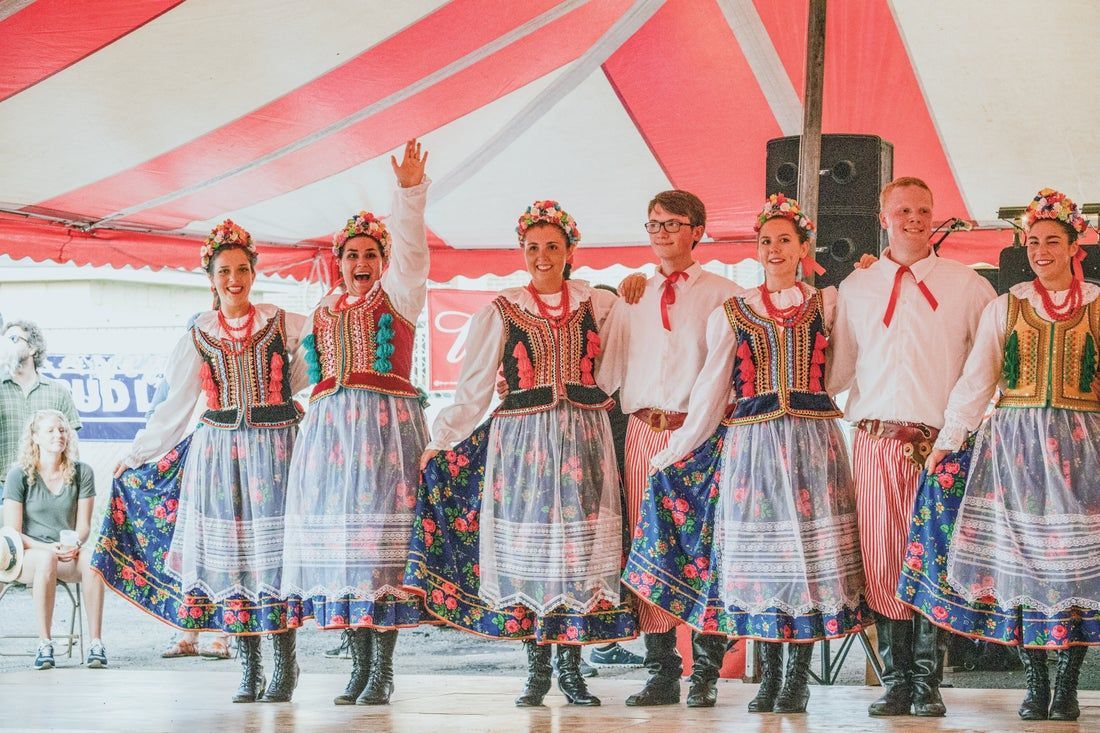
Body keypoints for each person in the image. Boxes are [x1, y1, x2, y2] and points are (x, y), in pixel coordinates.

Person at [624, 195, 870, 714]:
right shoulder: (734, 311)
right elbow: (712, 391)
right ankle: (770, 678)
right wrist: (675, 451)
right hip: (752, 449)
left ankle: (796, 680)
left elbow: (843, 371)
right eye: (766, 241)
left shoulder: (828, 304)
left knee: (806, 561)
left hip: (810, 445)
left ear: (803, 247)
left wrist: (805, 389)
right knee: (763, 563)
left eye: (784, 240)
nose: (774, 249)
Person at [406, 200, 636, 708]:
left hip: (583, 437)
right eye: (533, 247)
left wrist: (633, 298)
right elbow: (473, 388)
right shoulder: (501, 309)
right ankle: (536, 671)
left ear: (571, 251)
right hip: (523, 444)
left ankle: (571, 669)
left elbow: (615, 370)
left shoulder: (598, 303)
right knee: (531, 548)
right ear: (522, 251)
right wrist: (443, 440)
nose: (542, 256)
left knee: (575, 552)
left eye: (552, 246)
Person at [905, 188, 1098, 722]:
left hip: (1081, 453)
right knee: (1023, 568)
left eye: (1052, 241)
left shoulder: (1098, 305)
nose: (1041, 251)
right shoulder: (1006, 306)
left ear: (1074, 246)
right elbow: (977, 383)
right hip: (1014, 453)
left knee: (1071, 572)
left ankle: (1068, 684)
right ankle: (1036, 683)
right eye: (1033, 242)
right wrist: (947, 443)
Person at [98, 220, 307, 703]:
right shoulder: (199, 334)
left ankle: (285, 663)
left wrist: (288, 387)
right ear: (210, 278)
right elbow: (174, 405)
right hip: (220, 457)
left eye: (242, 269)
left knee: (274, 560)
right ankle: (250, 668)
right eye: (224, 271)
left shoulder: (280, 320)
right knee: (234, 560)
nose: (234, 279)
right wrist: (136, 455)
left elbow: (322, 344)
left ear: (254, 272)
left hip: (276, 453)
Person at [827, 176, 997, 717]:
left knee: (935, 559)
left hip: (941, 444)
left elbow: (987, 367)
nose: (914, 219)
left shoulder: (968, 285)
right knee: (881, 560)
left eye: (923, 210)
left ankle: (929, 682)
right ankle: (896, 680)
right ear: (884, 219)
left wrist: (960, 432)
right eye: (902, 210)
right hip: (876, 440)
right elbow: (838, 370)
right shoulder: (857, 286)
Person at [279, 139, 434, 707]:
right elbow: (295, 375)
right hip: (330, 439)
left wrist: (408, 194)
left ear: (383, 261)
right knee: (344, 550)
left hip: (384, 433)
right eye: (352, 255)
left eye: (370, 254)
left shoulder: (399, 294)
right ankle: (359, 665)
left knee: (377, 553)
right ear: (338, 260)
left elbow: (413, 251)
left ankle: (383, 670)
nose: (360, 264)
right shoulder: (321, 310)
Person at [596, 190, 743, 707]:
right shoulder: (631, 295)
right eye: (653, 224)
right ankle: (661, 670)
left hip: (702, 434)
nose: (661, 233)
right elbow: (607, 373)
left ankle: (706, 671)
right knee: (648, 544)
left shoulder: (726, 294)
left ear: (697, 230)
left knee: (706, 547)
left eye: (672, 223)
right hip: (643, 430)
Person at [2, 410, 106, 669]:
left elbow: (83, 527)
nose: (58, 435)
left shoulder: (82, 472)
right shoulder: (18, 475)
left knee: (94, 560)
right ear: (35, 437)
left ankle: (96, 643)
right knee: (47, 558)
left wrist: (75, 544)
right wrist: (49, 548)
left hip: (67, 553)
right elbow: (12, 533)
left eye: (62, 430)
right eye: (50, 430)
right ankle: (45, 643)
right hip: (28, 554)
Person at [0, 320, 82, 503]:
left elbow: (72, 443)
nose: (6, 345)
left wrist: (70, 486)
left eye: (13, 339)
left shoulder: (57, 391)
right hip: (3, 485)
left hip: (45, 486)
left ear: (32, 348)